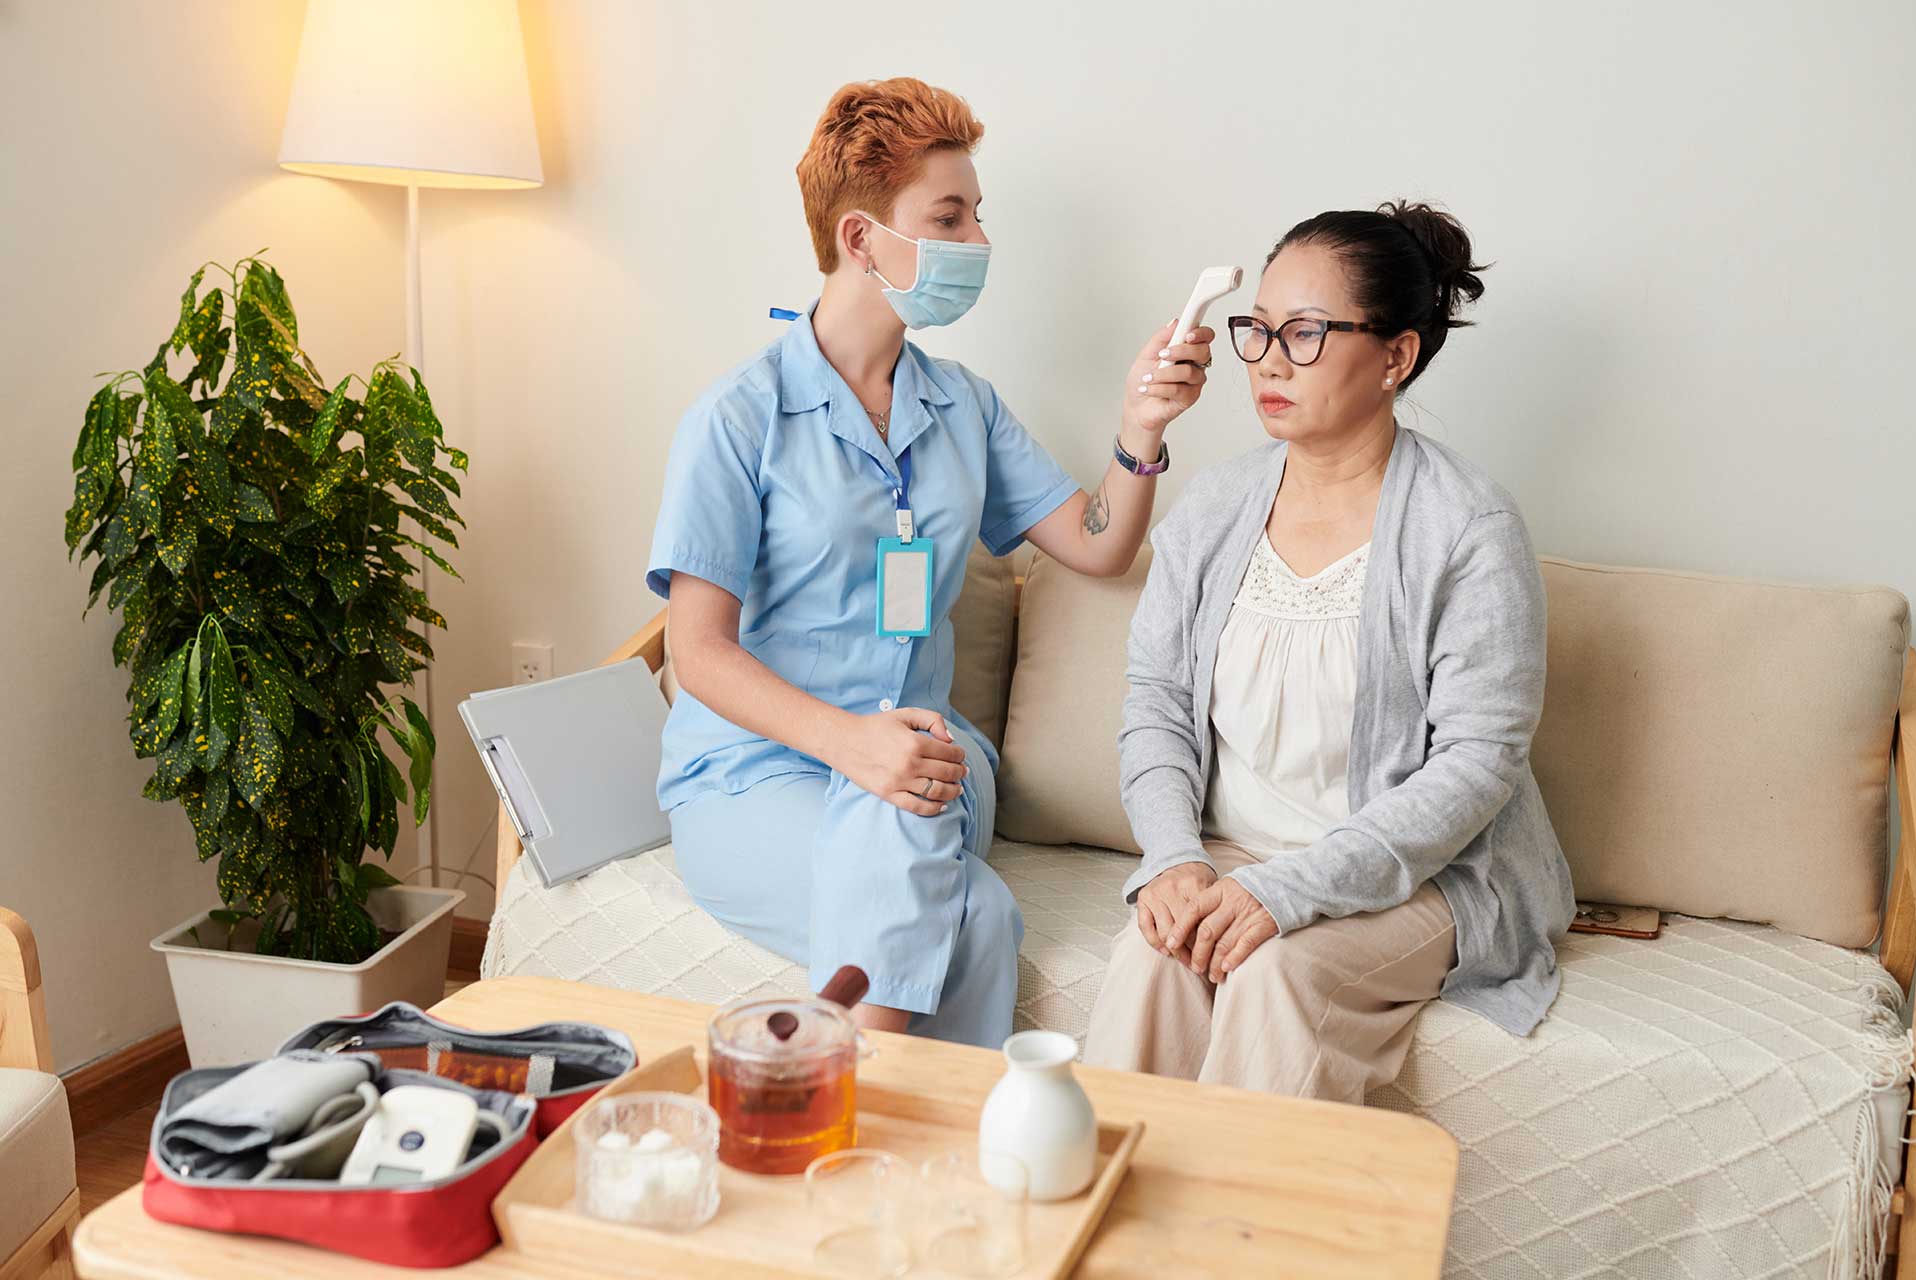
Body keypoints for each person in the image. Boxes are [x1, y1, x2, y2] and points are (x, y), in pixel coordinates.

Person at [646, 78, 1211, 1048]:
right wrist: (849, 742)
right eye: (949, 217)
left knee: (909, 778)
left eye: (976, 216)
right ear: (862, 239)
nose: (978, 243)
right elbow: (698, 652)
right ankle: (926, 1153)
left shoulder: (965, 407)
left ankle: (822, 1086)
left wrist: (1140, 427)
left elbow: (1099, 540)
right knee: (980, 914)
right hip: (752, 777)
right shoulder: (739, 418)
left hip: (932, 761)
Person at [1083, 202, 1576, 1099]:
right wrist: (1174, 860)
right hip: (1231, 857)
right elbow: (1155, 699)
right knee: (1156, 959)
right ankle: (1118, 1232)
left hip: (1417, 882)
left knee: (1272, 971)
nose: (1271, 360)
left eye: (1306, 332)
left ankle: (1248, 1237)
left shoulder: (1468, 526)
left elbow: (1478, 764)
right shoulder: (1216, 505)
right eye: (1258, 330)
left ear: (1396, 357)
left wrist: (1292, 892)